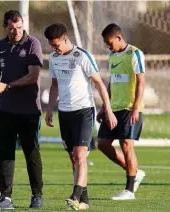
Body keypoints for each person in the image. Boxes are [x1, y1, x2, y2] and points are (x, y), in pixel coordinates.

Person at [44, 23, 117, 210]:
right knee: (72, 157)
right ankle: (84, 200)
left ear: (65, 38)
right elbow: (54, 85)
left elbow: (99, 83)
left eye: (56, 45)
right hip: (64, 112)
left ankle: (75, 194)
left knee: (80, 153)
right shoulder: (53, 58)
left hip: (84, 111)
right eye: (51, 46)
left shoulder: (82, 56)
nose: (54, 49)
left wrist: (107, 109)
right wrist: (50, 109)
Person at [0, 10, 43, 210]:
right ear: (6, 27)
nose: (16, 31)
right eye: (12, 28)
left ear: (23, 24)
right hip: (5, 110)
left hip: (28, 110)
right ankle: (6, 198)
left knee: (31, 153)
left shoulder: (33, 44)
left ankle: (37, 195)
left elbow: (33, 77)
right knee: (6, 154)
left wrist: (7, 86)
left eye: (19, 27)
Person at [97, 23, 146, 200]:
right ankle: (135, 172)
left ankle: (129, 190)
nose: (107, 46)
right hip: (114, 108)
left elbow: (141, 83)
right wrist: (105, 106)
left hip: (129, 108)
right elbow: (113, 81)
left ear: (118, 37)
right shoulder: (112, 55)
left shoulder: (135, 54)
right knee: (102, 143)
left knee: (126, 145)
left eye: (109, 42)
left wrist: (135, 109)